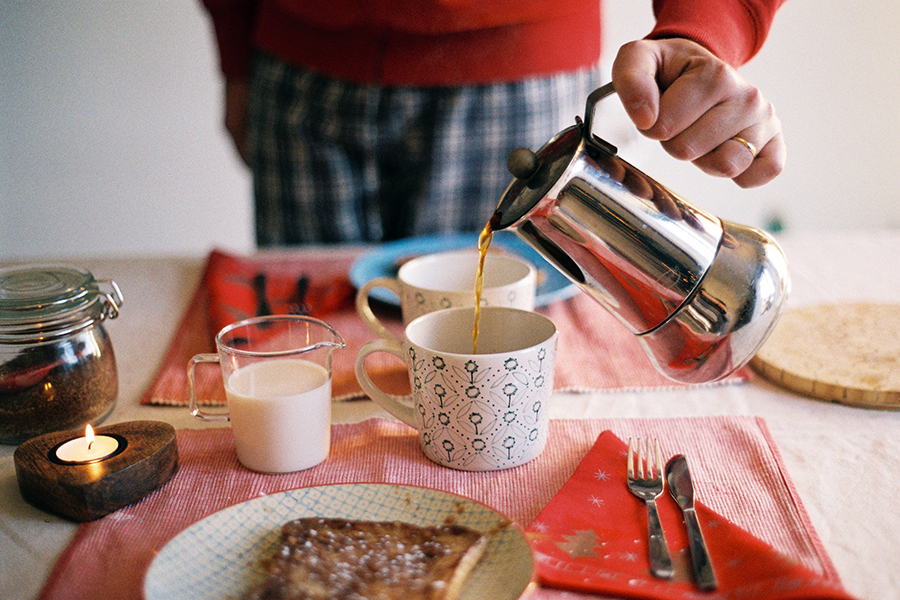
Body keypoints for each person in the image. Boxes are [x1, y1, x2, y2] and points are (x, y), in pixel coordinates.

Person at [200, 0, 787, 246]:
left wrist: (703, 26)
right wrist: (235, 52)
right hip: (295, 66)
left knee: (504, 348)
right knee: (305, 342)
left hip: (522, 81)